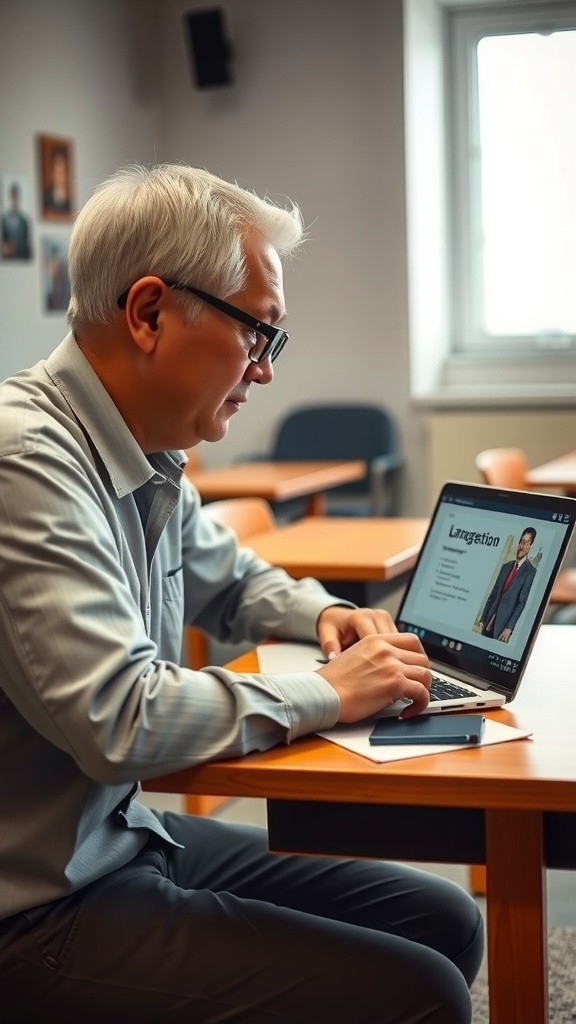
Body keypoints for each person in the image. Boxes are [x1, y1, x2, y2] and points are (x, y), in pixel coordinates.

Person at [0, 163, 483, 1024]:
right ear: (150, 313)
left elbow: (233, 578)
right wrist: (330, 693)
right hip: (36, 908)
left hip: (113, 841)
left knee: (442, 916)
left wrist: (327, 614)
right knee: (423, 996)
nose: (264, 369)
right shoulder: (25, 462)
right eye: (259, 333)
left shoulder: (146, 450)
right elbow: (121, 717)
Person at [479, 526, 537, 641]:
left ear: (531, 546)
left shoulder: (530, 571)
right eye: (521, 541)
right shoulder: (506, 566)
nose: (521, 546)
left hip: (502, 629)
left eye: (526, 543)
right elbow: (493, 594)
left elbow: (521, 603)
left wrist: (509, 628)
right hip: (488, 622)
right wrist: (483, 618)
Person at [1, 180, 32, 259]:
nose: (15, 199)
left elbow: (27, 246)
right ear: (10, 197)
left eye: (17, 196)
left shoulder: (25, 221)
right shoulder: (4, 220)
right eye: (13, 196)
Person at [42, 143, 71, 215]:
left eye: (63, 171)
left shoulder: (70, 200)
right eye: (57, 165)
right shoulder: (46, 197)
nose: (60, 169)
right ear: (52, 172)